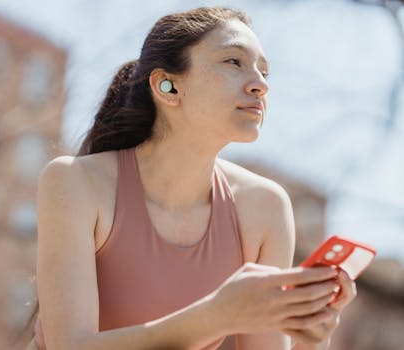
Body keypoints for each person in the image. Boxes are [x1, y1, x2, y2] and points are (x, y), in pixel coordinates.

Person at [28, 6, 356, 350]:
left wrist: (311, 338)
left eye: (264, 72)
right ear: (167, 87)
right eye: (234, 62)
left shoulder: (266, 208)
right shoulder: (74, 182)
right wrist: (216, 315)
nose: (260, 85)